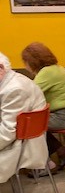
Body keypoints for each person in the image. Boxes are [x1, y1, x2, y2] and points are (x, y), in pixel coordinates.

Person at [21, 43, 65, 173]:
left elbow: (28, 93)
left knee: (27, 127)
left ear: (32, 62)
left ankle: (47, 166)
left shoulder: (47, 72)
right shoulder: (57, 68)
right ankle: (62, 151)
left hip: (63, 117)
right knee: (34, 124)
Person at [0, 52, 47, 183]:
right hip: (20, 137)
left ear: (1, 68)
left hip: (22, 145)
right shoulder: (12, 79)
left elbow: (7, 132)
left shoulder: (14, 89)